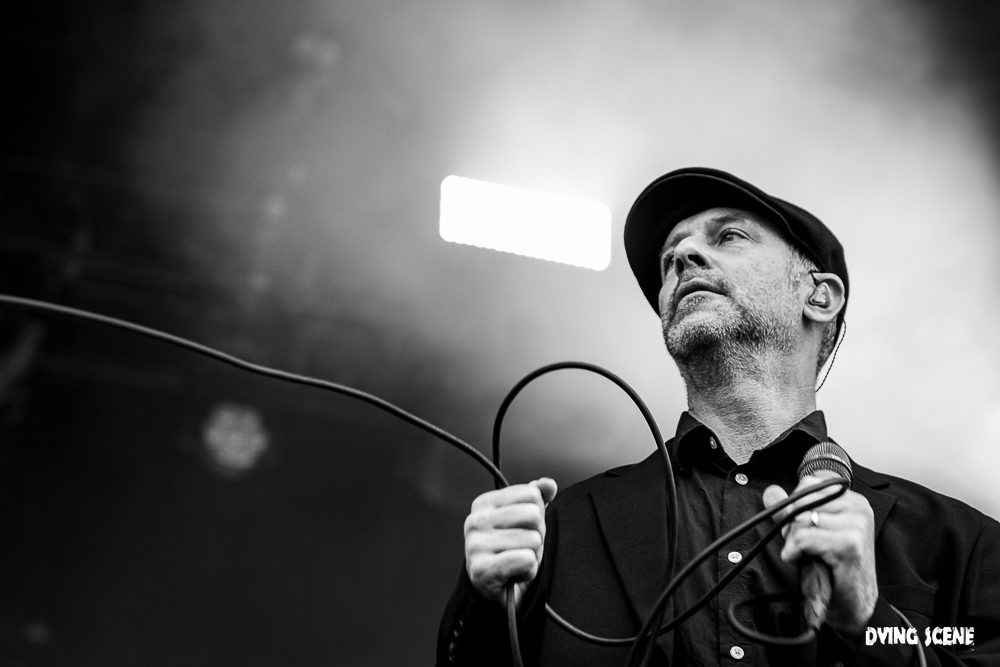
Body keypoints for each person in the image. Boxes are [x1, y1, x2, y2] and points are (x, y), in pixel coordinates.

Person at [436, 167, 1000, 666]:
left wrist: (872, 626)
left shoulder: (961, 543)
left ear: (820, 297)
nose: (683, 256)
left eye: (729, 236)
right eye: (668, 260)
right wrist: (484, 606)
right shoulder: (561, 531)